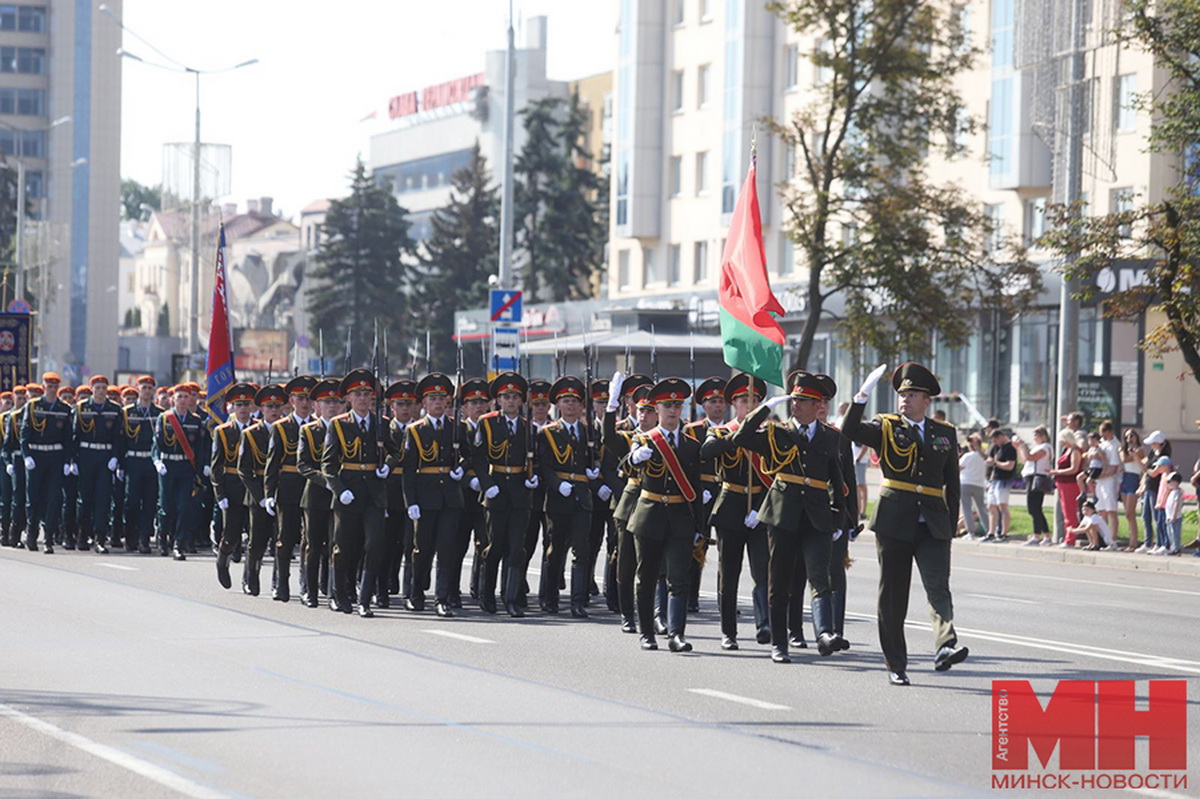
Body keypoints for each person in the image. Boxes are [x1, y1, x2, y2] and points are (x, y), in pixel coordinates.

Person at [841, 362, 967, 686]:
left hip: (933, 523)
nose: (905, 400)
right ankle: (896, 663)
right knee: (893, 596)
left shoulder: (945, 433)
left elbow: (952, 484)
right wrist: (861, 396)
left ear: (927, 400)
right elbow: (849, 431)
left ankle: (945, 644)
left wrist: (950, 526)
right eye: (902, 394)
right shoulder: (885, 427)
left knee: (938, 586)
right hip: (895, 520)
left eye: (912, 394)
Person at [731, 371, 846, 664]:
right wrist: (765, 408)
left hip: (818, 516)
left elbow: (837, 480)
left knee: (820, 576)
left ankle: (824, 633)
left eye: (803, 400)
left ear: (816, 404)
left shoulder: (831, 437)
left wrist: (838, 519)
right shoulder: (776, 432)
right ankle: (779, 643)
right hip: (783, 514)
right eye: (794, 399)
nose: (796, 405)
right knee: (779, 582)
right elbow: (741, 437)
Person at [625, 376, 704, 652]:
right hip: (650, 516)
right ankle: (647, 632)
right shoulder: (644, 439)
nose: (673, 411)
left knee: (679, 578)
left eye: (677, 405)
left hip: (680, 518)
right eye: (667, 405)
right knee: (646, 576)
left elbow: (697, 487)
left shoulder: (691, 445)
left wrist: (700, 527)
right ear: (656, 409)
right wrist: (635, 458)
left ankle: (676, 634)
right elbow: (626, 467)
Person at [699, 373, 770, 649]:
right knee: (729, 573)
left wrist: (762, 509)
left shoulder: (770, 433)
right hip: (730, 506)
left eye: (753, 400)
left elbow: (776, 475)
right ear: (734, 404)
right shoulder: (720, 431)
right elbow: (707, 452)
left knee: (763, 570)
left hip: (760, 507)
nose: (748, 405)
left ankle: (764, 624)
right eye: (743, 400)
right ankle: (728, 631)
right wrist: (738, 436)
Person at [323, 369, 390, 617]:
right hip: (348, 492)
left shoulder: (382, 424)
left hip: (374, 492)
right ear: (349, 398)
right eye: (358, 394)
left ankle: (364, 600)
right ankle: (339, 595)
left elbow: (396, 452)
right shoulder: (338, 425)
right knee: (343, 547)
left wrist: (387, 466)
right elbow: (328, 464)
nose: (363, 398)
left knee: (374, 543)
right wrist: (339, 490)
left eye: (366, 393)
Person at [402, 372, 468, 617]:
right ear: (425, 403)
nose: (438, 402)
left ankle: (441, 599)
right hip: (425, 495)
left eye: (442, 398)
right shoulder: (415, 430)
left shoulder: (456, 428)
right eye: (433, 398)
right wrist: (411, 502)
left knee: (446, 547)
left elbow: (470, 454)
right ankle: (415, 593)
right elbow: (408, 470)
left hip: (450, 496)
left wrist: (462, 466)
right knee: (422, 548)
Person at [472, 372, 538, 616]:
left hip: (519, 492)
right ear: (498, 400)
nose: (511, 401)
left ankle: (510, 598)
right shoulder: (487, 423)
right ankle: (486, 595)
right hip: (496, 490)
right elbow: (478, 458)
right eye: (506, 396)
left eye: (515, 397)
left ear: (521, 401)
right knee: (495, 546)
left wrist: (534, 477)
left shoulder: (528, 427)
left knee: (516, 547)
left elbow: (536, 458)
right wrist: (487, 483)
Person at [537, 375, 599, 618]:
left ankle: (577, 601)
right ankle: (550, 597)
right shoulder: (548, 433)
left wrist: (594, 471)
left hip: (582, 497)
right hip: (558, 498)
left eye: (575, 400)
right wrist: (556, 484)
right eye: (565, 400)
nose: (571, 405)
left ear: (582, 405)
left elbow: (597, 458)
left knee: (581, 550)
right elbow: (544, 466)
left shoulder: (589, 432)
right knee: (556, 549)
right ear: (558, 405)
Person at [603, 381, 656, 634]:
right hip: (631, 502)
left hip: (657, 505)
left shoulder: (663, 437)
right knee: (626, 562)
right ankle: (627, 614)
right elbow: (608, 438)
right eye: (641, 410)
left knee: (655, 564)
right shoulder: (627, 435)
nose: (644, 416)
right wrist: (611, 408)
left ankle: (657, 613)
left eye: (650, 411)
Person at [265, 375, 316, 602]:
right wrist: (269, 493)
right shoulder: (281, 428)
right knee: (284, 539)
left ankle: (306, 587)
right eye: (299, 398)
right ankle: (280, 583)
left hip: (313, 489)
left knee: (309, 541)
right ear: (291, 401)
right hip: (288, 488)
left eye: (307, 397)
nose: (304, 402)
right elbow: (272, 463)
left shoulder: (319, 427)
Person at [683, 376, 727, 612]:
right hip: (703, 493)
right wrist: (698, 492)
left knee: (728, 547)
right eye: (712, 401)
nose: (718, 406)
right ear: (704, 406)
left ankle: (725, 598)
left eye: (721, 401)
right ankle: (691, 597)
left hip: (728, 493)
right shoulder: (693, 430)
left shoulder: (734, 429)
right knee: (698, 544)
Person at [297, 378, 342, 608]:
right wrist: (325, 480)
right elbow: (303, 464)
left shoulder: (346, 427)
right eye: (326, 402)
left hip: (340, 496)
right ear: (316, 405)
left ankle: (333, 593)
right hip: (316, 494)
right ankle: (310, 590)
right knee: (313, 545)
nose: (332, 406)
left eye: (336, 401)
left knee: (336, 545)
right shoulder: (308, 430)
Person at [153, 384, 209, 560]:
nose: (184, 400)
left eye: (186, 397)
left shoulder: (195, 420)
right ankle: (162, 539)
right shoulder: (164, 418)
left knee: (184, 507)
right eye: (180, 397)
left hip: (186, 468)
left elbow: (200, 448)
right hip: (168, 465)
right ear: (172, 400)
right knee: (166, 506)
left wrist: (202, 467)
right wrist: (157, 461)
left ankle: (179, 543)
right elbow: (156, 444)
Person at [238, 385, 284, 593]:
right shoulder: (250, 434)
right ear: (261, 409)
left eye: (277, 406)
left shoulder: (287, 430)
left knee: (280, 541)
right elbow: (244, 470)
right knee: (256, 541)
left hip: (282, 493)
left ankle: (277, 582)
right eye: (269, 406)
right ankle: (250, 578)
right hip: (258, 495)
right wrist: (261, 497)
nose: (274, 410)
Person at [212, 383, 257, 589]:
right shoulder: (222, 432)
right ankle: (222, 562)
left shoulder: (259, 429)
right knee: (231, 535)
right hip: (232, 487)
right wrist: (220, 493)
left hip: (255, 487)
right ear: (232, 406)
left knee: (255, 536)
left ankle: (249, 578)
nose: (243, 409)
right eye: (239, 404)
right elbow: (216, 466)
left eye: (246, 404)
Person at [20, 379, 73, 554]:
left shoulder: (63, 409)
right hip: (36, 456)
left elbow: (67, 438)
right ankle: (31, 532)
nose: (52, 390)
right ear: (44, 388)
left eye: (54, 387)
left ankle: (48, 538)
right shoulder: (33, 406)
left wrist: (67, 461)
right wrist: (27, 456)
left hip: (55, 457)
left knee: (53, 499)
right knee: (34, 498)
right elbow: (25, 434)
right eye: (49, 386)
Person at [381, 379, 418, 604]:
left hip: (414, 494)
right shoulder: (384, 429)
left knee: (411, 545)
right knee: (385, 545)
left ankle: (410, 592)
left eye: (409, 404)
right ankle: (382, 588)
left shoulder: (420, 429)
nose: (405, 409)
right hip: (389, 494)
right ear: (392, 407)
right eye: (400, 404)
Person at [1014, 426, 1053, 546]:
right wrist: (1019, 448)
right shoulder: (1037, 447)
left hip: (1037, 478)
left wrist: (1024, 446)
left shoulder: (1045, 447)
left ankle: (1038, 535)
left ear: (1043, 436)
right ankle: (1045, 535)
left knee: (1034, 508)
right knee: (1034, 509)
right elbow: (1024, 460)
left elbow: (1031, 457)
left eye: (1036, 435)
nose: (1034, 438)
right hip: (1031, 477)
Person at [1136, 432, 1169, 553]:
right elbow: (1144, 468)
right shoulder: (1151, 454)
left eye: (1153, 443)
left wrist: (1147, 470)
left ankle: (1160, 542)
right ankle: (1148, 542)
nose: (1151, 445)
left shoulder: (1164, 456)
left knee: (1157, 518)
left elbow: (1154, 472)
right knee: (1146, 516)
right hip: (1149, 487)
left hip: (1157, 488)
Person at [1051, 430, 1083, 547]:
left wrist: (1057, 472)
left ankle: (1071, 539)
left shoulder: (1075, 451)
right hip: (1062, 483)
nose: (1063, 443)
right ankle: (1067, 537)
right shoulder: (1067, 450)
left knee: (1070, 512)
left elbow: (1074, 469)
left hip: (1071, 484)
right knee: (1066, 512)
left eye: (1063, 441)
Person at [983, 428, 1017, 542]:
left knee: (1003, 506)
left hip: (1004, 479)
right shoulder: (996, 448)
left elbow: (1010, 465)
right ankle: (991, 532)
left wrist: (995, 463)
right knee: (991, 506)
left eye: (996, 440)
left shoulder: (1010, 448)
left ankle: (1004, 533)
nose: (995, 443)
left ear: (1001, 437)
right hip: (994, 479)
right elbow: (991, 459)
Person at [1094, 421, 1122, 540]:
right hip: (1100, 481)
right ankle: (1104, 537)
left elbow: (1114, 468)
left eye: (1104, 434)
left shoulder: (1115, 445)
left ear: (1111, 432)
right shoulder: (1103, 443)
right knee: (1101, 510)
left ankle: (1113, 538)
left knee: (1111, 510)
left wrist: (1100, 475)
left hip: (1110, 481)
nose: (1103, 437)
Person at [958, 434, 987, 539]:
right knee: (981, 508)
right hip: (979, 484)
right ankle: (988, 530)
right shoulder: (983, 456)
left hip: (965, 483)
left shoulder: (967, 456)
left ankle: (971, 532)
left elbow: (959, 467)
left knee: (966, 508)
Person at [1119, 428, 1144, 551]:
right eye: (1127, 437)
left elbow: (1128, 459)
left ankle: (1133, 543)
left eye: (1132, 436)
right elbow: (1123, 458)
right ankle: (1131, 541)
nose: (1129, 439)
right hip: (1125, 478)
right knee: (1127, 515)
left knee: (1131, 512)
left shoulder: (1140, 451)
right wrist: (1128, 451)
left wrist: (1133, 453)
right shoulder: (1123, 450)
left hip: (1134, 478)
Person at [1161, 472, 1184, 556]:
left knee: (1175, 533)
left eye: (1169, 481)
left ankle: (1176, 548)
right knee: (1170, 533)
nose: (1168, 484)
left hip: (1175, 517)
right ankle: (1173, 547)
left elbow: (1176, 504)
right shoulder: (1172, 492)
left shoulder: (1177, 492)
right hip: (1169, 516)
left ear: (1176, 482)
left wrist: (1174, 515)